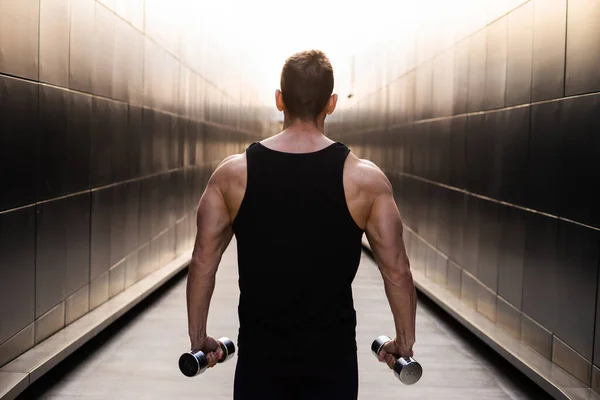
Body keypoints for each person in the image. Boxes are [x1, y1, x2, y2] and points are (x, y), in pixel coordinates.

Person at [186, 49, 417, 399]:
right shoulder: (364, 180)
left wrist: (198, 338)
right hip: (333, 364)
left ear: (279, 99)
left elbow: (203, 262)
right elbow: (397, 270)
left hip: (260, 364)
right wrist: (404, 341)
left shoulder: (233, 175)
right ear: (332, 103)